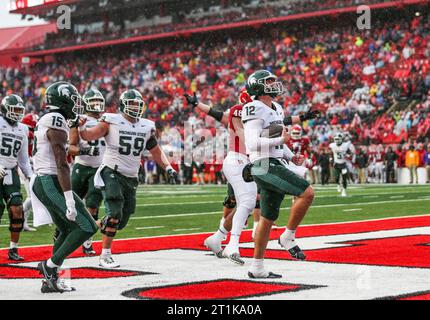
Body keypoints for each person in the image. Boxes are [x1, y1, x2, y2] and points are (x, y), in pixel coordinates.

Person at [78, 89, 177, 268]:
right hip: (111, 171)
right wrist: (82, 126)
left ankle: (88, 228)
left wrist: (168, 167)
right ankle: (105, 256)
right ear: (123, 105)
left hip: (131, 177)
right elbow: (88, 135)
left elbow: (155, 151)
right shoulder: (111, 121)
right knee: (114, 212)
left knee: (121, 220)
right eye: (131, 104)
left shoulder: (146, 126)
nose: (135, 108)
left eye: (138, 105)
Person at [242, 70, 315, 278]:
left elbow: (276, 139)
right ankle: (288, 236)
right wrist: (281, 142)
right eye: (269, 82)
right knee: (307, 193)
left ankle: (257, 268)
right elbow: (253, 142)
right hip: (263, 164)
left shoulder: (276, 108)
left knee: (267, 218)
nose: (274, 84)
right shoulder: (253, 107)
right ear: (258, 86)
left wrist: (291, 157)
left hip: (274, 161)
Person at [32, 81, 98, 293]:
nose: (75, 103)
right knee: (88, 226)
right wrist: (69, 199)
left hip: (46, 180)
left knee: (68, 228)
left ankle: (49, 279)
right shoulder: (55, 119)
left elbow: (64, 149)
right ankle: (49, 266)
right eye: (73, 99)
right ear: (62, 100)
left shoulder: (52, 119)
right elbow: (61, 162)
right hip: (50, 180)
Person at [68, 88, 106, 256]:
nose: (97, 106)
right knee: (70, 204)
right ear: (86, 105)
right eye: (93, 103)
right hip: (81, 167)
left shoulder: (108, 120)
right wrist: (85, 151)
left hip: (99, 169)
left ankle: (88, 241)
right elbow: (72, 147)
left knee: (92, 205)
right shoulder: (80, 120)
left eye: (99, 102)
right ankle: (62, 233)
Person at [0, 94, 33, 261]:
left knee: (17, 210)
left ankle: (13, 249)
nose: (17, 114)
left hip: (11, 172)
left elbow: (23, 159)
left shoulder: (23, 129)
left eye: (20, 110)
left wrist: (31, 176)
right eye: (14, 110)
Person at [329, 132, 355, 197]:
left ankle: (344, 191)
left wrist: (348, 155)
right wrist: (330, 158)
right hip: (336, 164)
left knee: (344, 178)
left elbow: (350, 153)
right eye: (336, 139)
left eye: (338, 139)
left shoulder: (345, 145)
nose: (337, 140)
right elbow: (330, 152)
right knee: (336, 178)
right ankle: (338, 184)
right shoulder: (332, 145)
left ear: (342, 139)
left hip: (343, 164)